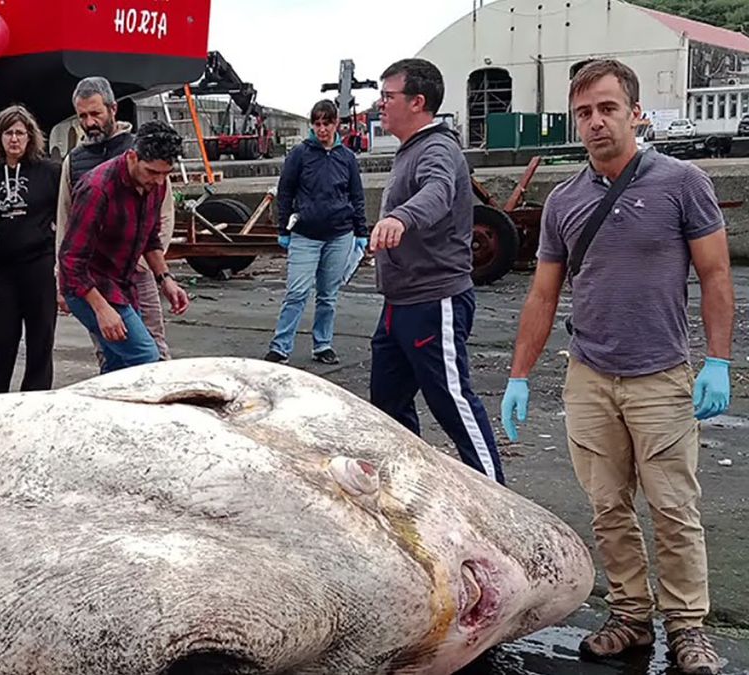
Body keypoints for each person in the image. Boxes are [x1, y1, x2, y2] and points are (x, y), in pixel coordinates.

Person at [501, 60, 731, 675]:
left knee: (674, 508)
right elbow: (544, 295)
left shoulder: (682, 182)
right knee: (608, 508)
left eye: (607, 108)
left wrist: (719, 361)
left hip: (660, 375)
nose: (596, 122)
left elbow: (714, 274)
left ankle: (687, 626)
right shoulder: (565, 202)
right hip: (590, 376)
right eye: (584, 112)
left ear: (634, 112)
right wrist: (519, 375)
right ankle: (630, 614)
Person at [368, 58, 503, 484]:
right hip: (399, 302)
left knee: (451, 401)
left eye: (388, 96)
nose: (380, 105)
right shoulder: (409, 151)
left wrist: (401, 218)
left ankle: (497, 498)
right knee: (387, 404)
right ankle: (410, 487)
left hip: (434, 299)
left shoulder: (437, 149)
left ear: (418, 102)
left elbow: (438, 193)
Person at [56, 76, 176, 369]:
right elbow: (69, 252)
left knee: (124, 356)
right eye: (83, 116)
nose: (90, 122)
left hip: (133, 272)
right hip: (91, 281)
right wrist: (100, 308)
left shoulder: (154, 172)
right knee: (144, 356)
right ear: (133, 159)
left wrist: (165, 278)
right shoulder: (93, 183)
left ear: (113, 110)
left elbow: (153, 233)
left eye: (95, 113)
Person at [264, 99, 368, 366]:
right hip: (305, 234)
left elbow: (356, 196)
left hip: (340, 235)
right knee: (297, 292)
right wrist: (283, 227)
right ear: (312, 125)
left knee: (328, 295)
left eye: (327, 123)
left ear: (336, 124)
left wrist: (360, 231)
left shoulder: (347, 158)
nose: (322, 129)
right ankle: (281, 346)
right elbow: (285, 191)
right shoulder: (300, 154)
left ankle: (323, 344)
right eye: (317, 123)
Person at [0, 105, 60, 393]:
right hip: (1, 270)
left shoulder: (50, 173)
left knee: (41, 335)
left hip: (40, 266)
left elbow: (67, 216)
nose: (14, 139)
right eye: (8, 133)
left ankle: (37, 393)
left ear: (30, 137)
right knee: (1, 337)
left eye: (20, 133)